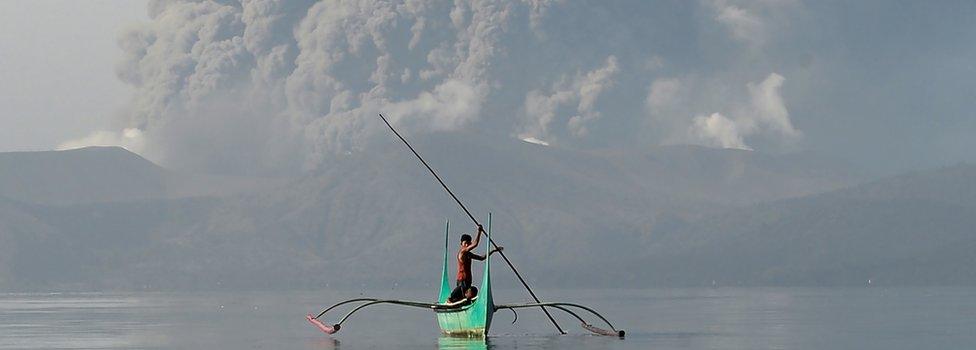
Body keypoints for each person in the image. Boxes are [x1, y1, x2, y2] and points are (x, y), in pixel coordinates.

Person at [447, 225, 502, 303]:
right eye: (465, 243)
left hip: (468, 281)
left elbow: (482, 258)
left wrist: (493, 251)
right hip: (462, 281)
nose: (467, 245)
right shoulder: (462, 253)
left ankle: (461, 302)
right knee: (454, 297)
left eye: (468, 243)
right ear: (461, 244)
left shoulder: (469, 254)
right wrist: (479, 232)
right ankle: (451, 300)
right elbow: (475, 244)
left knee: (473, 292)